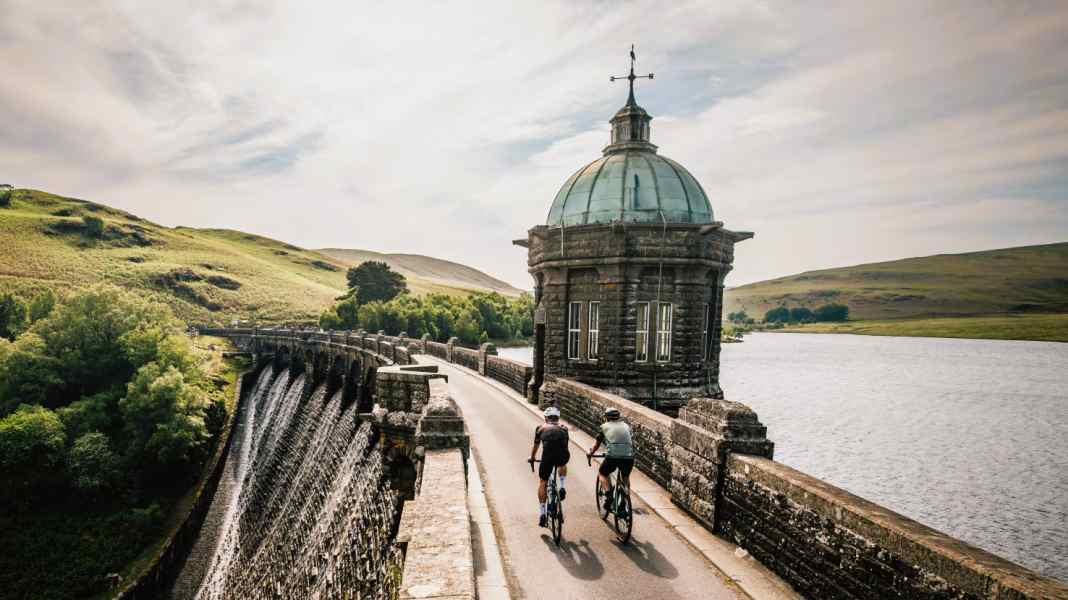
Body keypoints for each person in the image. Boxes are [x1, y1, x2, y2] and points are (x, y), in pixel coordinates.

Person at [529, 406, 570, 527]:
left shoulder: (540, 428)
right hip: (562, 455)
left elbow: (536, 446)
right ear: (558, 418)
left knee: (543, 481)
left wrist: (532, 458)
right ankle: (562, 486)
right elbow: (565, 446)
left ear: (546, 418)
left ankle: (542, 514)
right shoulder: (564, 428)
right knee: (562, 463)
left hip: (547, 457)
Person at [587, 407, 634, 511]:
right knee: (625, 477)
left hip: (613, 456)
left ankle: (609, 496)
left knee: (602, 473)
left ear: (606, 418)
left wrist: (590, 453)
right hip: (629, 456)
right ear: (618, 417)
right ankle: (625, 497)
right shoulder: (626, 426)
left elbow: (596, 445)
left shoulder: (604, 426)